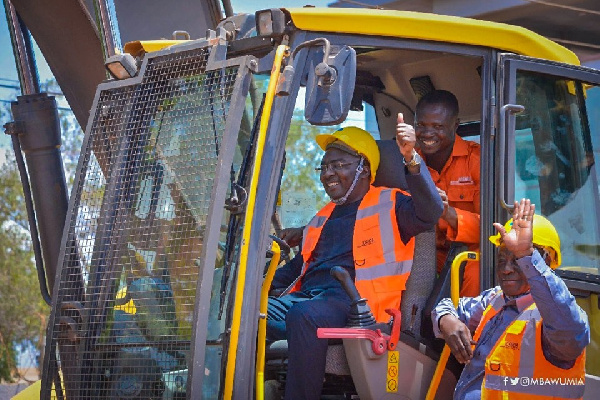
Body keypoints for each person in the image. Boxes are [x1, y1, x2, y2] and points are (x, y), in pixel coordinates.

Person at [267, 125, 443, 400]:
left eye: (338, 165)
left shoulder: (394, 204)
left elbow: (431, 212)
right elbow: (298, 268)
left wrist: (411, 159)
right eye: (323, 168)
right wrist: (253, 285)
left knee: (305, 317)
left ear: (364, 167)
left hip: (357, 306)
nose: (327, 174)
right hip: (307, 299)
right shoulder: (322, 217)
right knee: (244, 310)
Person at [432, 198, 589, 400]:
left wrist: (526, 255)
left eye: (517, 261)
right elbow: (447, 306)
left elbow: (571, 332)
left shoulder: (553, 317)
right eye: (501, 260)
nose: (506, 269)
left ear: (546, 262)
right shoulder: (494, 299)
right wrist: (445, 319)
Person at [408, 90, 481, 296]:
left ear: (455, 126)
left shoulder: (477, 160)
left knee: (475, 269)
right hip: (425, 252)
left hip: (467, 251)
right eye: (421, 125)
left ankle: (465, 326)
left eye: (438, 126)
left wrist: (448, 213)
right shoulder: (409, 162)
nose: (427, 133)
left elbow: (490, 229)